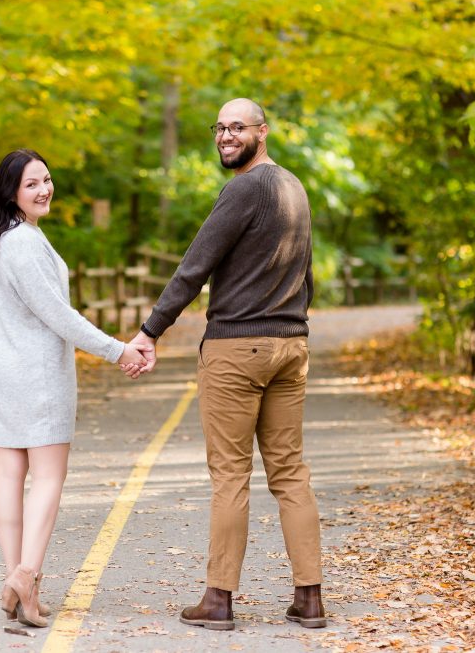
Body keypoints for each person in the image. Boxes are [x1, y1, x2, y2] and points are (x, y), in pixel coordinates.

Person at [122, 99, 326, 630]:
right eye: (219, 127)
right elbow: (307, 272)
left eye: (237, 127)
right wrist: (293, 319)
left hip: (238, 349)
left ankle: (219, 599)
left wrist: (149, 332)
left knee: (230, 475)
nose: (225, 136)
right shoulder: (294, 188)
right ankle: (310, 597)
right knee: (289, 472)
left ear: (263, 131)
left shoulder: (244, 189)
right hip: (290, 347)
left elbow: (194, 266)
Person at [0, 149, 148, 627]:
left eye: (47, 179)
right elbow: (58, 316)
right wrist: (119, 350)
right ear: (11, 191)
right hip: (34, 376)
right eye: (32, 184)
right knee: (48, 477)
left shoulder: (2, 239)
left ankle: (18, 585)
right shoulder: (24, 244)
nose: (44, 189)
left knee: (10, 473)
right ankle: (26, 576)